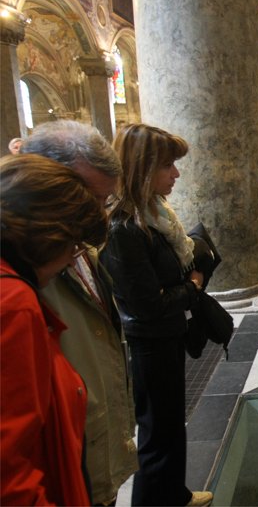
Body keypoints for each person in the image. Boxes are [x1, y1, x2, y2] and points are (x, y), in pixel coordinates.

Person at [22, 120, 138, 505]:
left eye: (104, 202)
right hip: (60, 464)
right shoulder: (22, 280)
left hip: (92, 449)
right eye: (87, 198)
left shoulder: (79, 246)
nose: (99, 216)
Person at [100, 124, 212, 507]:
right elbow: (149, 305)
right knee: (155, 433)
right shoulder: (124, 227)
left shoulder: (153, 212)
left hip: (167, 334)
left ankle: (174, 494)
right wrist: (193, 286)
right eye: (168, 166)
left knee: (169, 426)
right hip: (149, 341)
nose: (176, 174)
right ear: (142, 169)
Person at [1, 153, 108, 506]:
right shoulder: (12, 302)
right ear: (49, 234)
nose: (71, 258)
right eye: (73, 245)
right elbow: (10, 470)